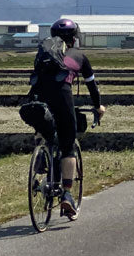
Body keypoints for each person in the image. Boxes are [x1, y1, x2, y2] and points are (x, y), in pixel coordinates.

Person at [34, 18, 105, 219]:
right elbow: (92, 86)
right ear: (74, 38)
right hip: (62, 96)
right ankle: (66, 193)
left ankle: (41, 154)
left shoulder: (44, 52)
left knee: (44, 128)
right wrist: (98, 106)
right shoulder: (78, 55)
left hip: (38, 96)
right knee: (68, 146)